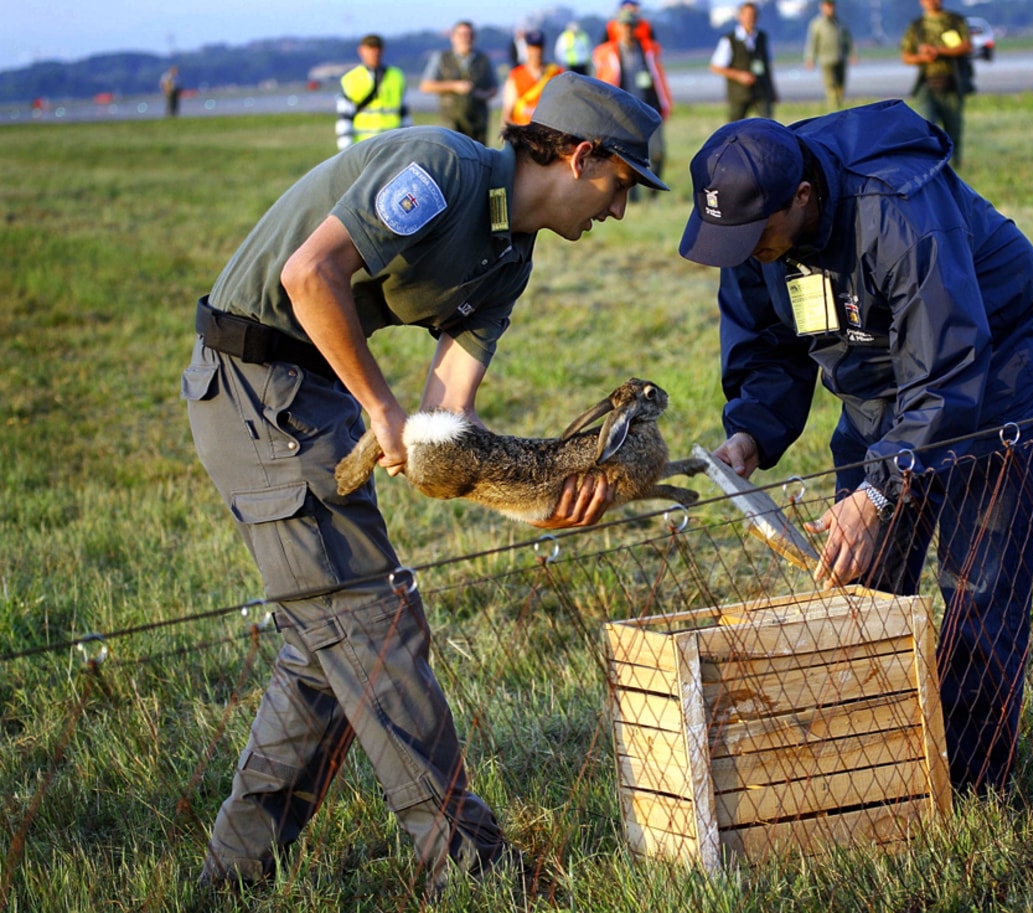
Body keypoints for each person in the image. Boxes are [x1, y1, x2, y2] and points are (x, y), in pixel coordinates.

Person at [184, 72, 669, 893]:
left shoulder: (509, 261)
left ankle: (232, 876)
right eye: (620, 185)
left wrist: (542, 502)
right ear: (581, 156)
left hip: (316, 390)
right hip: (251, 379)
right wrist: (380, 407)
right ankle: (470, 866)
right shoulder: (442, 170)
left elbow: (446, 422)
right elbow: (309, 277)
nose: (619, 210)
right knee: (374, 624)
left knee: (326, 647)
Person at [677, 103, 1033, 794]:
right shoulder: (750, 226)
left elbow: (946, 370)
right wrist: (752, 429)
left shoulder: (898, 211)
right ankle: (876, 770)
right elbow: (766, 339)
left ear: (802, 197)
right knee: (859, 579)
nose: (743, 252)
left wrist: (879, 489)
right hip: (875, 372)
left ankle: (967, 782)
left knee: (979, 576)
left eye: (754, 237)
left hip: (991, 355)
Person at [592, 6, 672, 196]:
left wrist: (665, 104)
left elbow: (659, 79)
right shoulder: (608, 53)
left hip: (648, 109)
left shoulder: (648, 51)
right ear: (617, 27)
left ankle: (653, 194)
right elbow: (600, 81)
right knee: (626, 157)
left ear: (636, 27)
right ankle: (631, 196)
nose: (628, 29)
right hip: (622, 113)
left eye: (631, 25)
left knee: (658, 152)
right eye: (624, 25)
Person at [900, 0, 973, 167]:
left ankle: (954, 165)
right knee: (926, 125)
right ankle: (931, 165)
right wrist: (922, 57)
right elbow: (906, 56)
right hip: (927, 83)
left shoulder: (955, 21)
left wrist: (938, 51)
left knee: (953, 128)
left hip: (952, 82)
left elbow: (966, 46)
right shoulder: (917, 26)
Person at [419, 20, 499, 145]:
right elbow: (426, 86)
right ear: (453, 38)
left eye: (469, 35)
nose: (466, 38)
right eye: (462, 35)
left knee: (478, 155)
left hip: (477, 123)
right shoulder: (441, 58)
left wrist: (483, 95)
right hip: (451, 122)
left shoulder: (483, 59)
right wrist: (454, 86)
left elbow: (494, 88)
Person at [335, 34, 410, 151]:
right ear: (361, 50)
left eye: (377, 48)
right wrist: (346, 146)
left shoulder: (397, 76)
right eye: (370, 48)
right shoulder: (351, 79)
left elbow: (404, 112)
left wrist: (407, 141)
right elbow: (344, 114)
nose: (375, 53)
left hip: (392, 144)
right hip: (363, 145)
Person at [709, 1, 778, 122]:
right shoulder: (729, 40)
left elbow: (767, 66)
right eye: (747, 15)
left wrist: (772, 91)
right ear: (740, 17)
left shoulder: (761, 37)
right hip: (739, 93)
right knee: (734, 126)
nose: (750, 19)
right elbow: (715, 66)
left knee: (768, 124)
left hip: (761, 90)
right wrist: (739, 75)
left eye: (753, 15)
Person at [501, 30, 564, 126]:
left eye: (539, 48)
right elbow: (508, 111)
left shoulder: (556, 73)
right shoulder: (516, 75)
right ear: (526, 49)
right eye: (533, 48)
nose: (536, 52)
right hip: (522, 128)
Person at [804, 0, 854, 112]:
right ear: (822, 7)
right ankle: (833, 109)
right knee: (831, 87)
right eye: (827, 6)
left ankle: (839, 108)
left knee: (840, 87)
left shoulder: (840, 23)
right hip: (826, 60)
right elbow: (812, 42)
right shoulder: (817, 24)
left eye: (831, 6)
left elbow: (848, 40)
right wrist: (810, 58)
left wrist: (852, 54)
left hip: (840, 58)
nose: (829, 9)